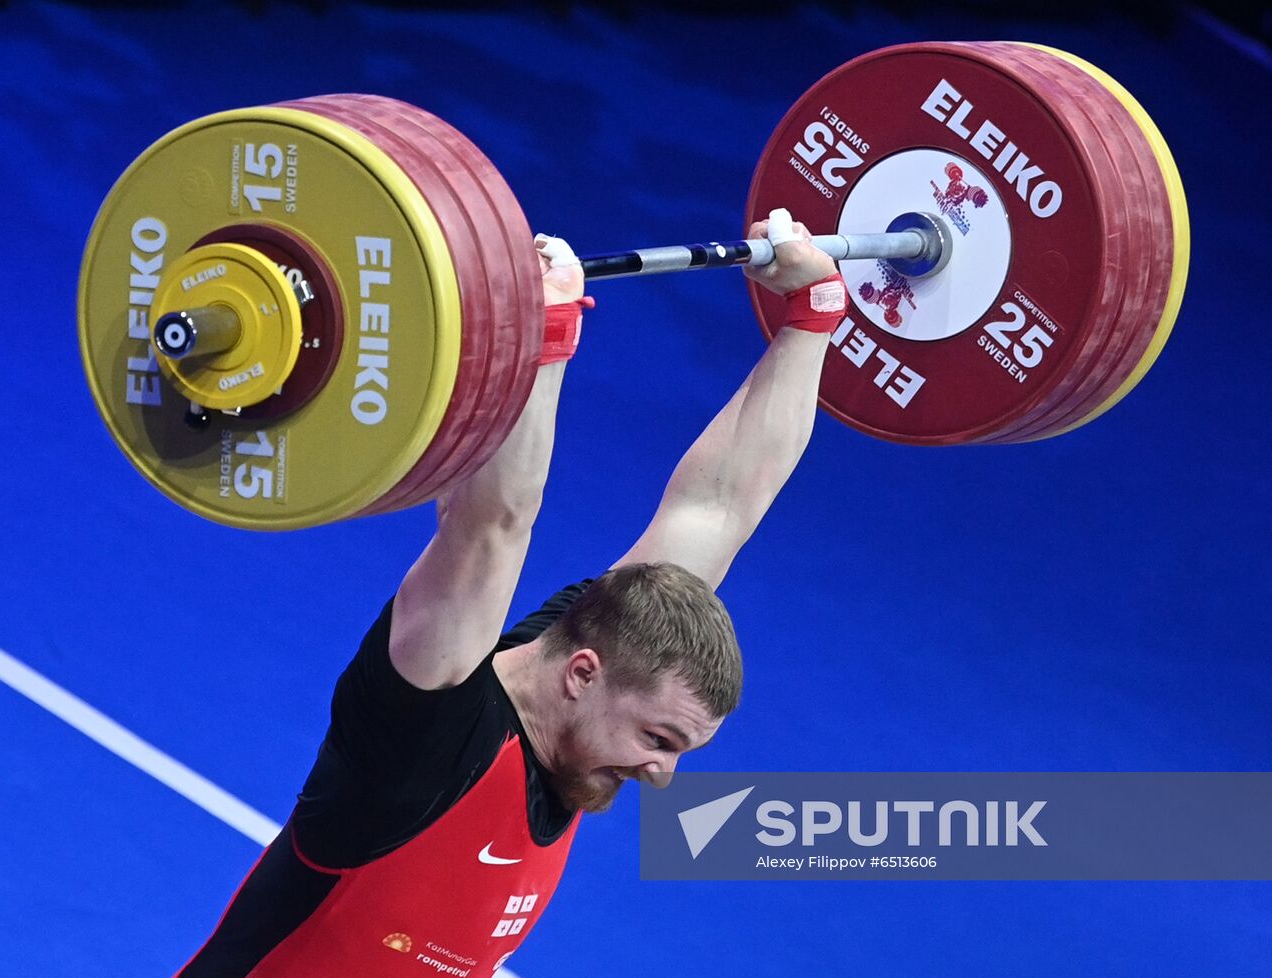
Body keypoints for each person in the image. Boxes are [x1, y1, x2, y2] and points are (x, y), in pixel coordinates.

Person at [176, 209, 845, 978]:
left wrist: (812, 316)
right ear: (582, 673)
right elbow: (492, 524)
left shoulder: (599, 670)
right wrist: (543, 333)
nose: (662, 776)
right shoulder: (423, 731)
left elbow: (719, 508)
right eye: (660, 741)